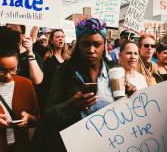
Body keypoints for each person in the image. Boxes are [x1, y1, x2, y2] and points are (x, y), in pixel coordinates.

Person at [38, 18, 117, 152]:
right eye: (85, 44)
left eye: (97, 44)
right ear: (78, 45)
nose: (91, 50)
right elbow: (49, 114)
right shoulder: (64, 72)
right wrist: (71, 105)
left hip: (111, 143)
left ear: (104, 45)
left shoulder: (114, 71)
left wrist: (130, 94)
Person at [0, 27, 39, 152]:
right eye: (2, 70)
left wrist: (28, 118)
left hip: (21, 146)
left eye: (13, 69)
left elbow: (36, 119)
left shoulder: (26, 84)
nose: (7, 75)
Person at [42, 29, 70, 109]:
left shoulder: (68, 58)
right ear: (51, 41)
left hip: (66, 98)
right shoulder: (48, 57)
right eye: (57, 37)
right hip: (51, 98)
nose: (60, 38)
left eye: (62, 37)